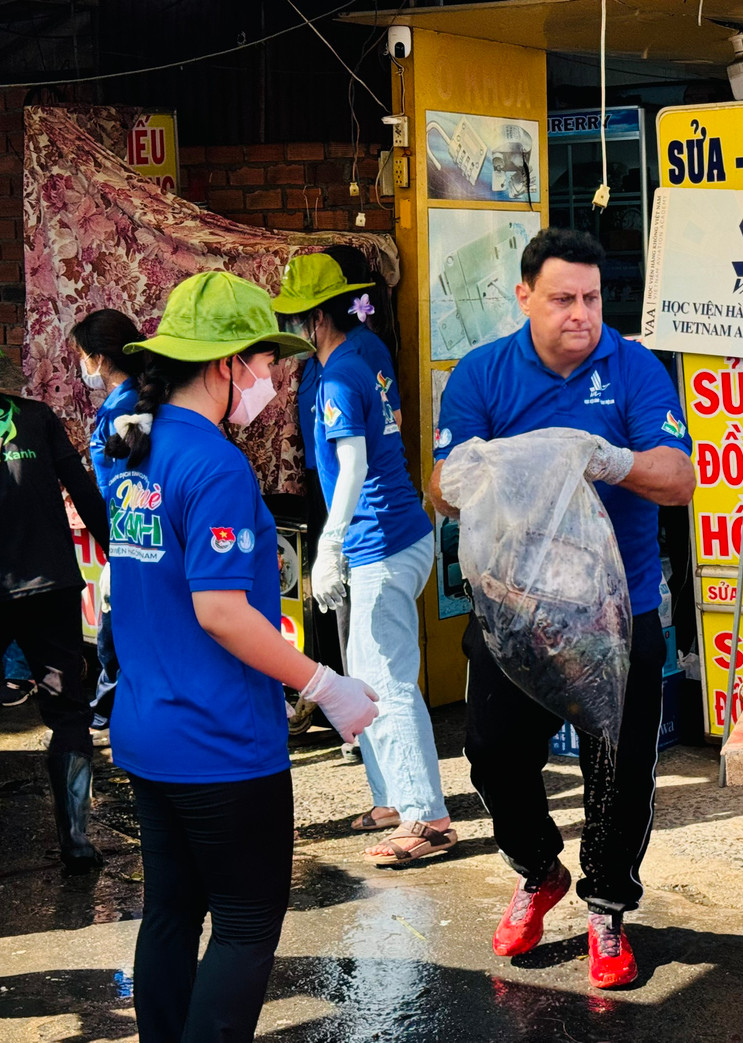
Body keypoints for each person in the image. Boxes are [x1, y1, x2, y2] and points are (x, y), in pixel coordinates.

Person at [103, 270, 379, 1043]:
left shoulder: (142, 452)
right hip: (221, 744)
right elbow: (220, 611)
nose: (268, 379)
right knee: (248, 924)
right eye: (261, 362)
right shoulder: (216, 466)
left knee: (170, 913)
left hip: (150, 732)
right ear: (228, 364)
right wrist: (325, 682)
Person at [428, 227, 695, 989]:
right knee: (492, 755)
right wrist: (479, 470)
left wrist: (613, 460)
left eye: (592, 298)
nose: (582, 314)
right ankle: (537, 869)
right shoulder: (482, 375)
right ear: (524, 297)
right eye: (563, 299)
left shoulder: (633, 368)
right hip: (516, 614)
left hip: (620, 613)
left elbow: (679, 477)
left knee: (620, 770)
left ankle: (607, 907)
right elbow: (440, 490)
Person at [273, 253, 453, 865]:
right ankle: (389, 797)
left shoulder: (338, 378)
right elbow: (392, 427)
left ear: (317, 318)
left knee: (388, 686)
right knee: (365, 677)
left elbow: (351, 467)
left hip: (378, 541)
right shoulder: (367, 349)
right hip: (401, 531)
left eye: (295, 319)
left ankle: (426, 818)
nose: (290, 334)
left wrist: (330, 543)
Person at [0, 372, 110, 873]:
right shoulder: (38, 416)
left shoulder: (41, 417)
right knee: (68, 712)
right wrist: (119, 558)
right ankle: (78, 843)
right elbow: (85, 492)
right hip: (51, 584)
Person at [291, 246, 400, 692]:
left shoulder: (359, 350)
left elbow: (378, 426)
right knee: (334, 597)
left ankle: (358, 702)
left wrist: (335, 535)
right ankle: (343, 694)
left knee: (348, 596)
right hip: (327, 478)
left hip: (354, 489)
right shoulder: (329, 351)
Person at [72, 308, 145, 727]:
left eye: (83, 355)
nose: (82, 365)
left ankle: (109, 708)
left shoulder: (128, 406)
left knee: (116, 628)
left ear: (99, 358)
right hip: (123, 528)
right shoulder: (123, 401)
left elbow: (129, 479)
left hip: (131, 529)